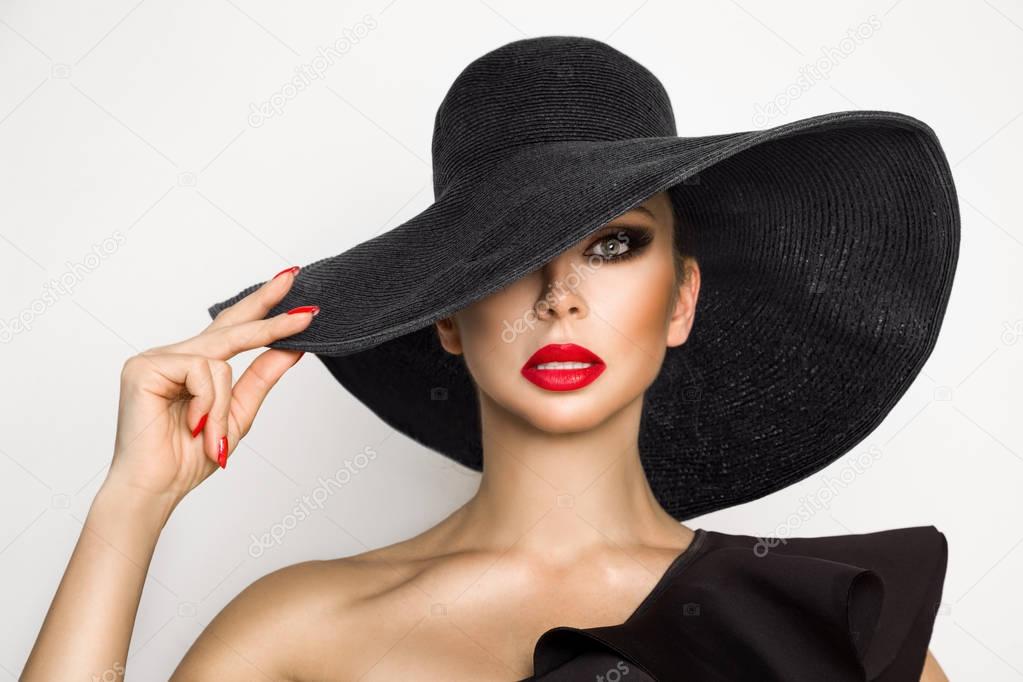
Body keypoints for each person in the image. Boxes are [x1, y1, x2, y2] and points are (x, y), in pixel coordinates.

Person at [23, 35, 957, 681]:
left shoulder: (841, 631)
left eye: (614, 244)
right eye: (508, 259)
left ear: (681, 299)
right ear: (444, 317)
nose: (559, 297)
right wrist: (130, 505)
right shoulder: (301, 629)